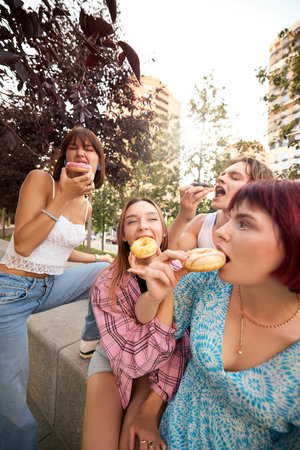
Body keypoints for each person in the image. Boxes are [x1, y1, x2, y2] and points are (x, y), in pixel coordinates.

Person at [130, 179, 300, 449]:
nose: (220, 232)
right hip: (168, 434)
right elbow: (146, 351)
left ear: (292, 240)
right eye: (229, 219)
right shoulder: (208, 281)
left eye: (244, 223)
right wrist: (159, 295)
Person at [0, 126, 113, 450]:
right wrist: (63, 195)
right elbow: (22, 244)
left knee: (106, 270)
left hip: (48, 286)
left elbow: (61, 248)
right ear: (63, 157)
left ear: (98, 164)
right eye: (73, 148)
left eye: (89, 149)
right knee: (11, 399)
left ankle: (90, 339)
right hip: (9, 293)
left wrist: (96, 256)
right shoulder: (42, 181)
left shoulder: (87, 205)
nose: (80, 152)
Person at [81, 197, 190, 450]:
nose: (142, 226)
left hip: (162, 361)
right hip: (115, 356)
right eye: (132, 221)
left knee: (131, 442)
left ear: (163, 232)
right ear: (123, 236)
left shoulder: (182, 271)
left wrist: (164, 291)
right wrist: (155, 296)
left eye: (152, 219)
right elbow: (132, 359)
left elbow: (181, 345)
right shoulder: (105, 283)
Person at [168, 156, 274, 251]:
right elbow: (169, 254)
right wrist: (183, 215)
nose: (220, 178)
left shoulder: (264, 231)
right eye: (223, 175)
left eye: (234, 178)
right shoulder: (201, 223)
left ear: (255, 189)